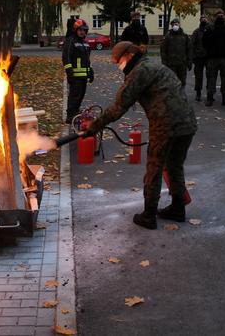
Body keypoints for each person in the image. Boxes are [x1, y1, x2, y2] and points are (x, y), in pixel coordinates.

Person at [84, 42, 197, 230]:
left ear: (129, 55)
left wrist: (94, 127)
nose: (119, 65)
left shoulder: (139, 71)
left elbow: (119, 106)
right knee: (174, 165)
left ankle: (149, 215)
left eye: (119, 61)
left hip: (165, 125)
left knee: (154, 167)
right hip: (187, 123)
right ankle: (178, 208)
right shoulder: (155, 65)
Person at [62, 19, 94, 123]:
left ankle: (75, 112)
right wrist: (69, 73)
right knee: (74, 96)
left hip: (83, 76)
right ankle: (70, 115)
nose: (82, 32)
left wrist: (90, 71)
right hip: (75, 76)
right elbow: (66, 58)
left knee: (80, 95)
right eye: (80, 30)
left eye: (84, 30)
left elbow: (87, 60)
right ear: (75, 30)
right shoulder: (71, 41)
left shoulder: (85, 44)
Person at [203, 10, 225, 107]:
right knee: (211, 78)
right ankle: (210, 98)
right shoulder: (209, 28)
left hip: (224, 58)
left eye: (222, 15)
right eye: (218, 15)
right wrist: (210, 51)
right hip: (212, 58)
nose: (220, 17)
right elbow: (204, 41)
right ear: (215, 17)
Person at [160, 18, 193, 87]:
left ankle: (181, 96)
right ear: (171, 26)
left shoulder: (185, 36)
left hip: (182, 63)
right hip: (171, 63)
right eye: (173, 24)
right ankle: (173, 96)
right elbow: (163, 50)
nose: (175, 25)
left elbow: (189, 49)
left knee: (182, 81)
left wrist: (189, 61)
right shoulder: (167, 37)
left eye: (176, 23)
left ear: (179, 25)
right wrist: (164, 62)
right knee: (172, 82)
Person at [191, 15, 209, 101]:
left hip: (209, 57)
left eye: (205, 19)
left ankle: (210, 93)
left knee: (210, 76)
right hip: (199, 57)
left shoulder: (210, 31)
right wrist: (193, 56)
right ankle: (198, 93)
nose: (204, 21)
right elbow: (192, 45)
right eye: (202, 19)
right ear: (200, 21)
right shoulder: (196, 32)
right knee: (199, 76)